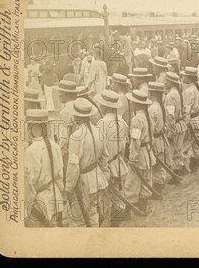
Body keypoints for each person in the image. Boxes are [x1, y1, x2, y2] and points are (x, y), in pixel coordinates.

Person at [64, 98, 109, 227]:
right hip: (97, 177)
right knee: (93, 211)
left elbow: (73, 165)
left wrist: (69, 187)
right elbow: (104, 157)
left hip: (83, 181)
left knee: (77, 217)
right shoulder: (98, 131)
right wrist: (105, 175)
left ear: (76, 116)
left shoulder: (76, 137)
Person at [94, 90, 130, 226]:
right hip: (118, 163)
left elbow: (99, 148)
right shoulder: (122, 122)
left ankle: (105, 223)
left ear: (106, 107)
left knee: (103, 196)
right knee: (118, 195)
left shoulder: (102, 123)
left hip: (106, 165)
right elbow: (124, 147)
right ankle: (117, 222)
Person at [24, 109, 65, 227]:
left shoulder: (31, 151)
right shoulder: (56, 146)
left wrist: (27, 209)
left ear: (31, 127)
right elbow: (60, 177)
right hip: (56, 198)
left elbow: (29, 184)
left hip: (39, 202)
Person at [124, 90, 154, 215]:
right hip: (147, 152)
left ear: (136, 104)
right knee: (146, 181)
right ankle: (143, 207)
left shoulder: (137, 119)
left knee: (132, 183)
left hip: (139, 154)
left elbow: (135, 141)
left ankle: (129, 211)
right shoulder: (148, 117)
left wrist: (132, 159)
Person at [164, 72, 188, 179]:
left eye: (166, 81)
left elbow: (170, 116)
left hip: (175, 126)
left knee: (173, 152)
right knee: (179, 149)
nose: (164, 83)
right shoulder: (179, 93)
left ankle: (176, 173)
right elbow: (185, 110)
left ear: (170, 82)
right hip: (181, 124)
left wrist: (171, 131)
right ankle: (180, 168)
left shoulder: (170, 96)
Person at [147, 82, 168, 198]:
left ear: (152, 93)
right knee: (159, 166)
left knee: (156, 167)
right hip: (161, 140)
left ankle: (157, 191)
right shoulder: (160, 106)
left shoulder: (152, 108)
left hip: (156, 141)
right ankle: (159, 187)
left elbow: (151, 128)